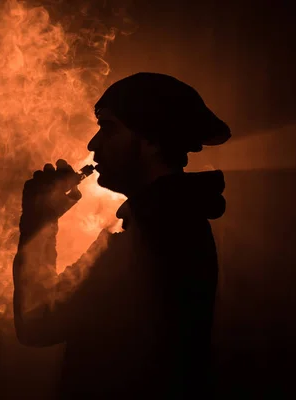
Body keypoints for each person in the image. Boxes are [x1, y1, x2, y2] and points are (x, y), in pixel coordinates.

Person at [12, 72, 230, 399]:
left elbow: (37, 321)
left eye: (109, 128)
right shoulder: (171, 223)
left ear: (152, 139)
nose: (93, 144)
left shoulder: (151, 234)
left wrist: (39, 222)